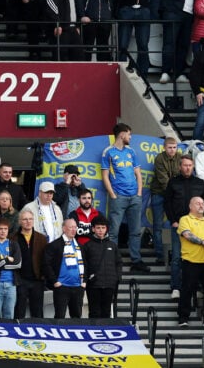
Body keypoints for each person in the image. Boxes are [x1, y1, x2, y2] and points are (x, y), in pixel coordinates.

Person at [101, 123, 150, 272]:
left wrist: (139, 192)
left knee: (135, 230)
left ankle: (136, 261)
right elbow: (105, 175)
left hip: (134, 196)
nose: (130, 137)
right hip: (119, 196)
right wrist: (113, 195)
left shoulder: (131, 151)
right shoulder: (108, 152)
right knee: (114, 231)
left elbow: (138, 173)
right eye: (129, 134)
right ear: (122, 134)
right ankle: (113, 262)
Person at [177, 196, 204, 327]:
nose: (201, 205)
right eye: (198, 203)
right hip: (191, 260)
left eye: (203, 203)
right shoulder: (185, 219)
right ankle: (183, 318)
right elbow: (188, 235)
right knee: (187, 289)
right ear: (190, 206)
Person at [43, 217, 86, 319]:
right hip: (62, 287)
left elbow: (86, 264)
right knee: (60, 316)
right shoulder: (55, 245)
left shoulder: (80, 245)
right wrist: (54, 281)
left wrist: (84, 281)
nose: (73, 229)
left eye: (75, 227)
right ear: (64, 228)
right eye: (70, 227)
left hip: (78, 287)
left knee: (76, 317)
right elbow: (46, 264)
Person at [82, 215, 122, 319]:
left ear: (106, 229)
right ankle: (93, 334)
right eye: (98, 228)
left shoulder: (112, 245)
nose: (100, 230)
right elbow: (84, 265)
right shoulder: (87, 246)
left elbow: (118, 263)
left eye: (103, 228)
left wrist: (117, 278)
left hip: (109, 284)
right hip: (93, 284)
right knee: (94, 312)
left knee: (106, 312)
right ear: (93, 229)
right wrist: (86, 280)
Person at [14, 209, 48, 319]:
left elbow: (45, 259)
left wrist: (42, 276)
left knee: (37, 313)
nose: (28, 221)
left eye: (30, 219)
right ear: (19, 221)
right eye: (25, 219)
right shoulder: (13, 238)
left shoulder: (41, 238)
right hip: (20, 280)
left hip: (37, 280)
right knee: (19, 311)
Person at [0, 218, 21, 319]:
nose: (3, 231)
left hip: (11, 284)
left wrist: (1, 262)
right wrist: (7, 259)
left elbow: (18, 264)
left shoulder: (14, 244)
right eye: (0, 229)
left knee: (9, 315)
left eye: (5, 229)